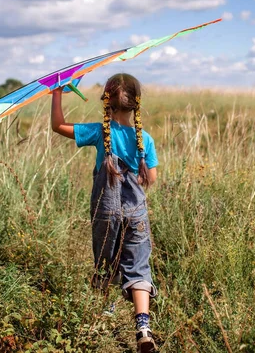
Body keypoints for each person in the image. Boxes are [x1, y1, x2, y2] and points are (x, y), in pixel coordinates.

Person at [51, 73, 159, 352]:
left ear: (106, 102)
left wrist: (56, 93)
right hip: (136, 214)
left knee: (104, 264)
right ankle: (143, 327)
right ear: (137, 103)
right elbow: (153, 178)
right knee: (138, 269)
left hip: (105, 213)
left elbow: (58, 126)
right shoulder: (145, 139)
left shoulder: (100, 132)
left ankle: (103, 312)